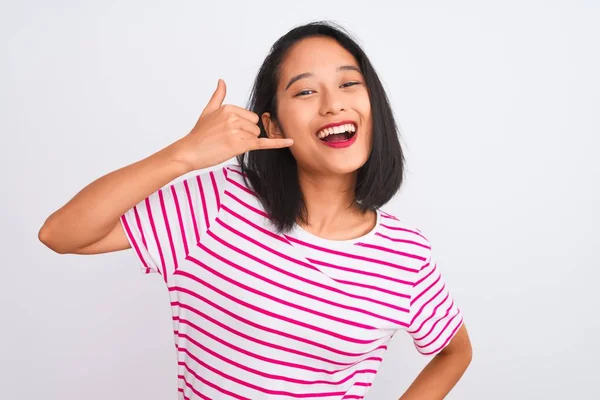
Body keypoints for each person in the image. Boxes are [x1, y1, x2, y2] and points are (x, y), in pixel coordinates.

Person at [39, 21, 472, 400]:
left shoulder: (405, 255)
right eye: (305, 90)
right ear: (273, 126)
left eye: (348, 83)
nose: (332, 104)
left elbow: (455, 351)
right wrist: (184, 155)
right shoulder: (219, 203)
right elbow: (60, 234)